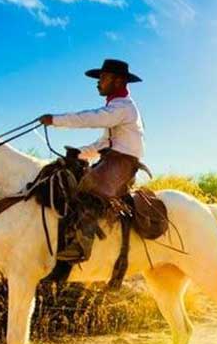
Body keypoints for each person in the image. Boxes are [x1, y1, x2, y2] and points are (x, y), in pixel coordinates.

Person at [38, 58, 145, 264]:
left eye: (103, 77)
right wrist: (80, 153)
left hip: (123, 162)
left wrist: (55, 120)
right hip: (112, 159)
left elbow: (92, 118)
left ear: (118, 80)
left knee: (88, 189)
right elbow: (103, 143)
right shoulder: (115, 107)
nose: (98, 82)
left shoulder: (123, 107)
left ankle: (81, 247)